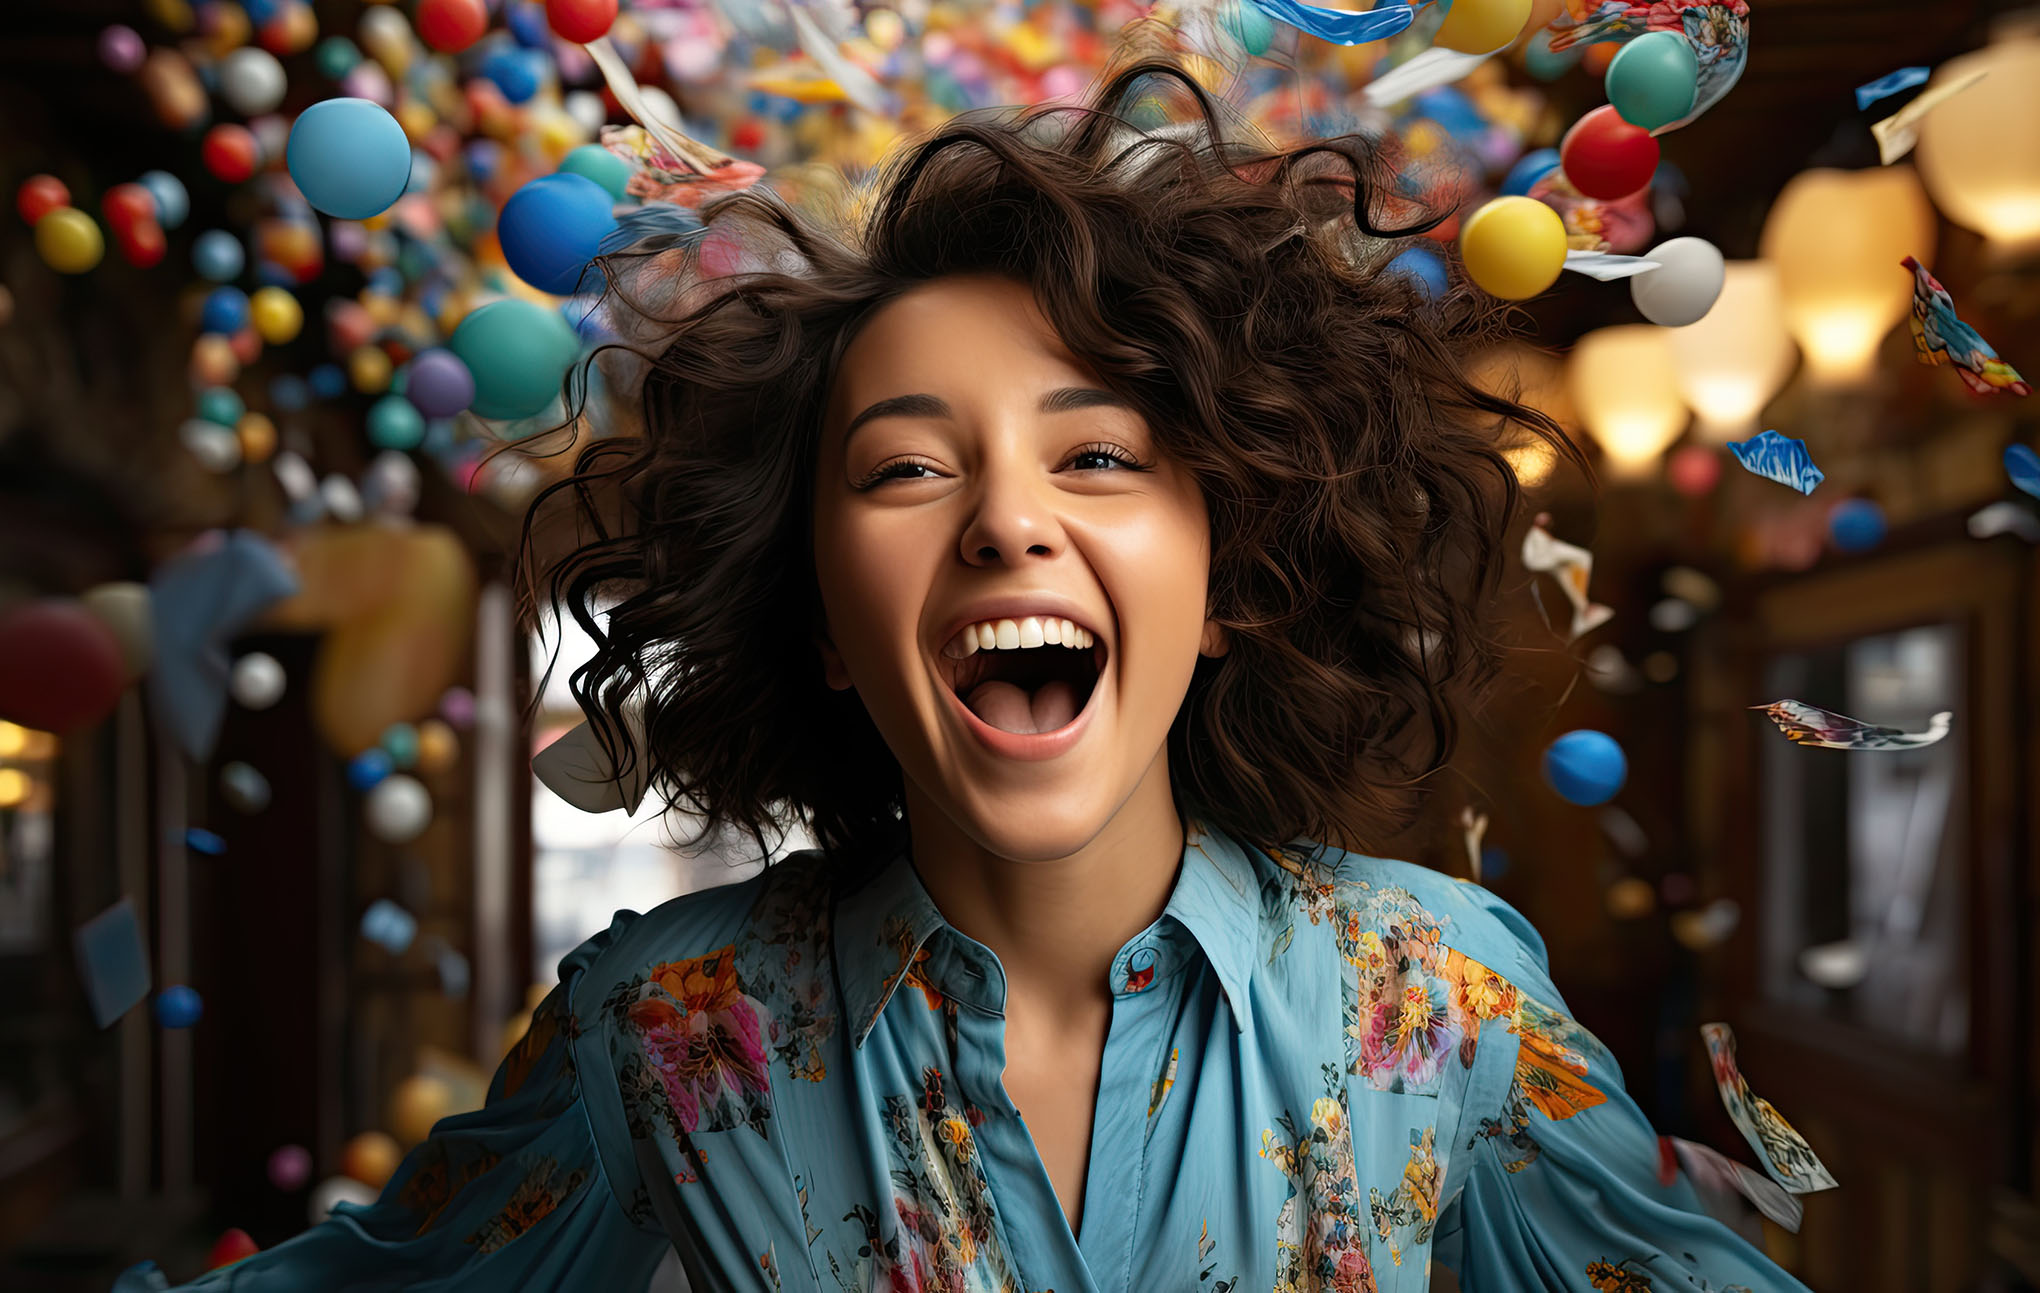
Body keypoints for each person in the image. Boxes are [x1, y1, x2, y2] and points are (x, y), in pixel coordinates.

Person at [153, 59, 1814, 1293]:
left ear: (1227, 573)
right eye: (904, 470)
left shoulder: (1441, 995)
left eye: (1096, 455)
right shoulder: (661, 1029)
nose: (1009, 520)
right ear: (815, 613)